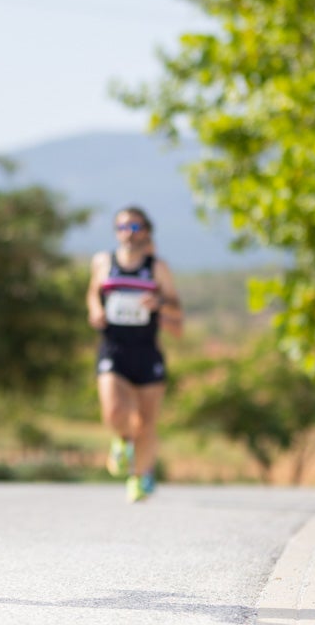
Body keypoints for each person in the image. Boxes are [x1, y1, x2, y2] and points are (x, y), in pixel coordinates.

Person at [86, 206, 183, 503]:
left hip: (147, 350)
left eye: (135, 227)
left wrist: (159, 302)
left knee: (146, 421)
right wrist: (96, 310)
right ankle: (121, 438)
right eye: (122, 227)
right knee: (114, 412)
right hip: (113, 347)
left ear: (147, 232)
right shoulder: (103, 262)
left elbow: (175, 305)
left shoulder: (157, 267)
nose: (128, 232)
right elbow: (93, 292)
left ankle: (139, 478)